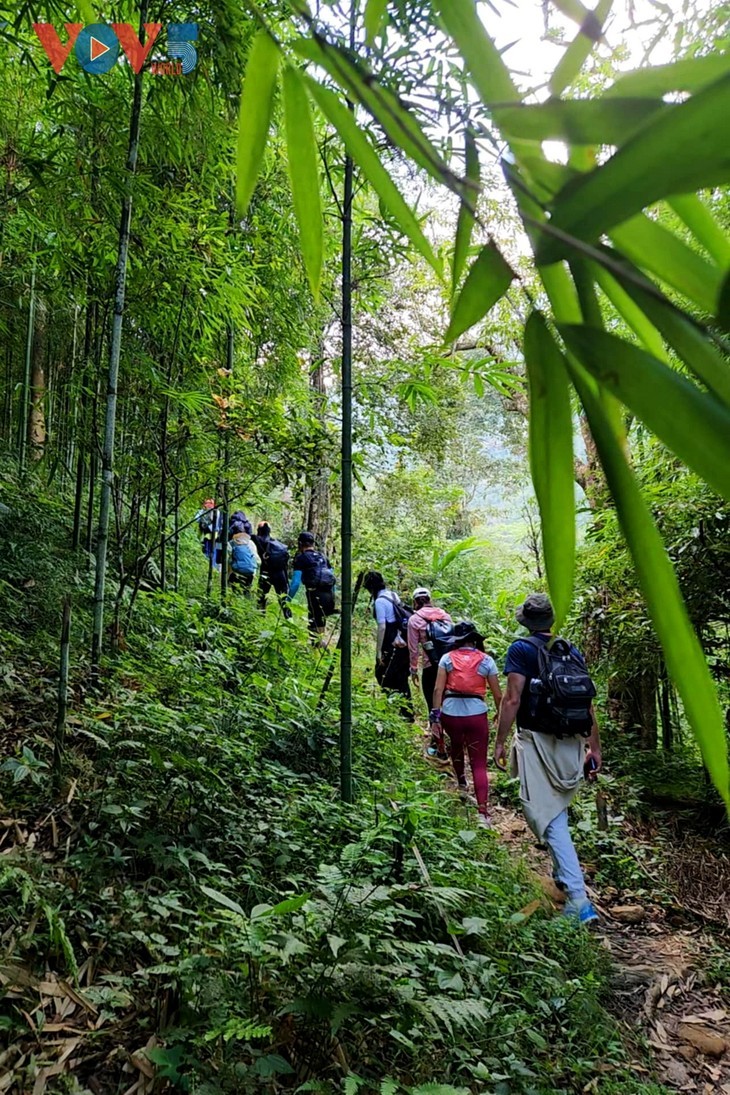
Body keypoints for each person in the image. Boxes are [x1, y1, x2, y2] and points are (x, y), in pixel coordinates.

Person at [493, 593, 603, 924]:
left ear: (525, 621)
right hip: (571, 742)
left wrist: (498, 741)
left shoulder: (521, 650)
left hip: (537, 741)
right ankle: (560, 875)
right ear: (551, 620)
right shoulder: (570, 650)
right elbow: (587, 702)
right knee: (557, 810)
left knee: (548, 817)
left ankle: (578, 898)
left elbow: (512, 699)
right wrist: (594, 747)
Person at [430, 621, 502, 828]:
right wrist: (500, 712)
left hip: (451, 711)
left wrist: (436, 716)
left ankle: (462, 784)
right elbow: (498, 694)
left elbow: (437, 690)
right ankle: (483, 813)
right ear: (475, 640)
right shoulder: (486, 660)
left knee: (456, 748)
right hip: (477, 712)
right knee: (479, 763)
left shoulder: (447, 658)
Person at [363, 571, 413, 720]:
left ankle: (390, 709)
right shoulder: (392, 595)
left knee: (383, 674)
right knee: (401, 676)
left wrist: (378, 651)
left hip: (390, 643)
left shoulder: (379, 601)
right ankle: (406, 712)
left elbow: (382, 626)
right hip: (402, 643)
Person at [407, 588, 453, 711]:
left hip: (430, 665)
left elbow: (413, 649)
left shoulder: (414, 620)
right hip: (449, 664)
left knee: (431, 700)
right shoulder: (445, 616)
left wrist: (414, 669)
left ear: (415, 602)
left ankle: (435, 726)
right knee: (448, 699)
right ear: (430, 599)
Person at [288, 532, 336, 642]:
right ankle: (319, 650)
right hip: (329, 594)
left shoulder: (301, 558)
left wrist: (288, 599)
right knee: (320, 623)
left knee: (313, 624)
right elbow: (331, 578)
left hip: (315, 593)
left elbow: (295, 582)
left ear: (300, 543)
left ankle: (317, 650)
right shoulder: (323, 557)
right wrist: (333, 597)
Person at [252, 521, 291, 618]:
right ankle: (290, 621)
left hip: (266, 573)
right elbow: (285, 565)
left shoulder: (256, 539)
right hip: (280, 574)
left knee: (261, 598)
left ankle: (260, 619)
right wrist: (286, 580)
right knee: (284, 601)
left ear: (259, 530)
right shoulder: (277, 544)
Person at [229, 525, 260, 593]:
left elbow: (229, 560)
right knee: (246, 590)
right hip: (250, 572)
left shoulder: (232, 543)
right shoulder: (251, 543)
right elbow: (257, 560)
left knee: (234, 589)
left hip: (237, 571)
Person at [196, 499, 223, 569]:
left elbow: (196, 519)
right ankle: (212, 566)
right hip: (215, 534)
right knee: (214, 550)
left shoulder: (203, 511)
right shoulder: (217, 511)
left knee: (207, 550)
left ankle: (207, 566)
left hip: (207, 534)